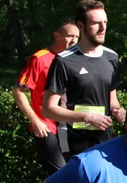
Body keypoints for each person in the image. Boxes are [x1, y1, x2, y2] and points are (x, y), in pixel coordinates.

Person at [44, 0, 125, 158]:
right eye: (96, 23)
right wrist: (86, 117)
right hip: (74, 140)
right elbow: (48, 109)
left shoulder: (112, 57)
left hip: (104, 138)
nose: (103, 28)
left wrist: (119, 111)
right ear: (80, 25)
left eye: (105, 22)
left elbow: (112, 100)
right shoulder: (64, 60)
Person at [13, 20, 80, 174]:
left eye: (77, 37)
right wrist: (35, 120)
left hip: (71, 127)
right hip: (47, 126)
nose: (74, 41)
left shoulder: (76, 59)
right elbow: (18, 91)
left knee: (76, 174)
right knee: (61, 174)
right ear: (57, 35)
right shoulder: (39, 58)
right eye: (70, 36)